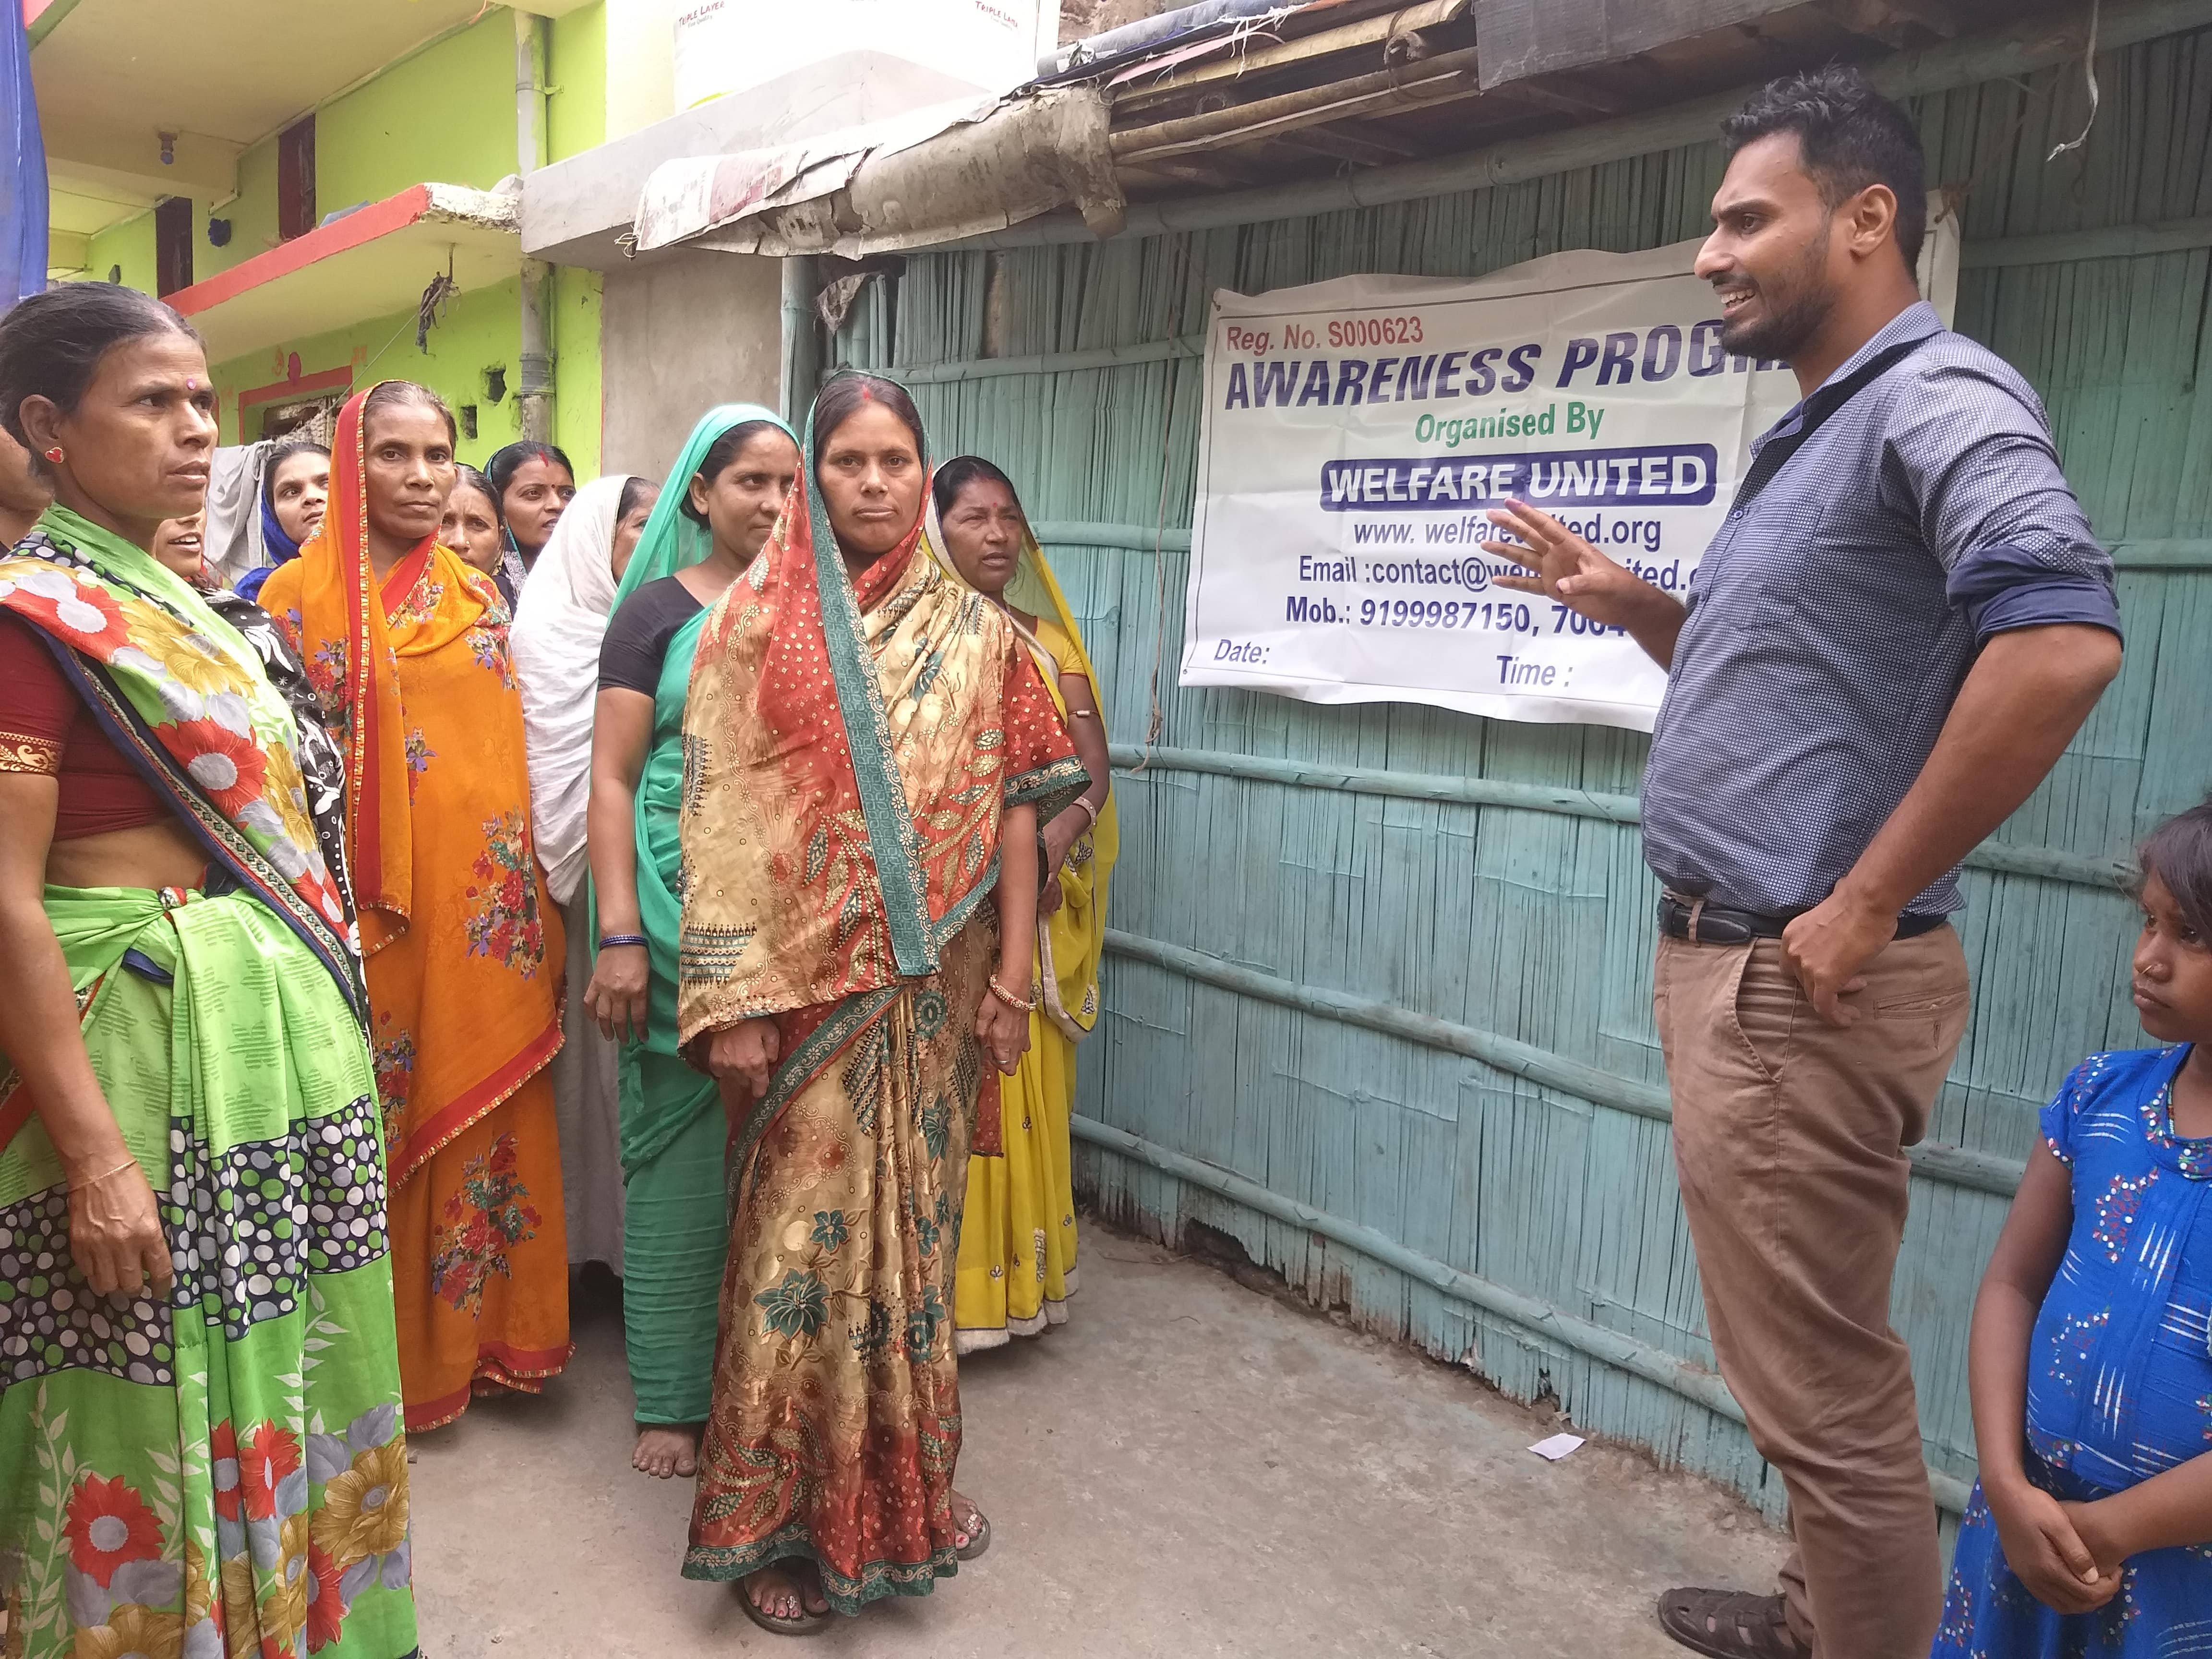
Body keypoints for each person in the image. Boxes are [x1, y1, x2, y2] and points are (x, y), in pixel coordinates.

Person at [1486, 67, 2124, 1659]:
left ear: (1863, 220)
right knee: (1810, 1368)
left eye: (1741, 218)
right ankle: (1806, 1615)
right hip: (1760, 966)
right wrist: (1639, 608)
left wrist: (1850, 901)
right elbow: (1813, 692)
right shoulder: (1827, 426)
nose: (1708, 254)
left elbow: (2053, 641)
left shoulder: (1931, 396)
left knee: (1826, 1409)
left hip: (1796, 980)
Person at [0, 283, 418, 1659]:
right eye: (154, 402)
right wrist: (95, 1153)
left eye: (201, 401)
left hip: (268, 1069)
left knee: (299, 1364)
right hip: (135, 1062)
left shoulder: (196, 614)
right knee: (134, 1389)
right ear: (49, 429)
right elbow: (7, 895)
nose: (195, 431)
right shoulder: (31, 619)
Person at [676, 373, 1086, 1631]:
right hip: (801, 992)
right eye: (846, 460)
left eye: (894, 461)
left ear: (922, 473)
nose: (871, 482)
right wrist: (734, 993)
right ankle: (770, 1528)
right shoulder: (753, 625)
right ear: (814, 474)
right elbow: (723, 815)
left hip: (940, 993)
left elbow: (1022, 812)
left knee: (910, 1256)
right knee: (796, 1259)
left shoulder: (986, 639)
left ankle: (897, 1500)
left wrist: (1013, 982)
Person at [259, 381, 571, 1434]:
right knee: (361, 1127)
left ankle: (484, 1347)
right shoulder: (288, 607)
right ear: (352, 462)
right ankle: (372, 1369)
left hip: (483, 920)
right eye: (395, 454)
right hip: (351, 919)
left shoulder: (481, 601)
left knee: (479, 1125)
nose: (424, 476)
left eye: (440, 454)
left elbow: (508, 770)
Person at [1932, 801, 2212, 1653]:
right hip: (2027, 1527)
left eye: (2190, 935)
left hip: (2176, 1576)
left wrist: (2112, 1529)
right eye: (2147, 922)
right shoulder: (2097, 1101)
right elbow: (2011, 1285)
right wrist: (2005, 1484)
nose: (2147, 959)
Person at [583, 408, 796, 1481]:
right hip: (669, 904)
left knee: (790, 1156)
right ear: (699, 495)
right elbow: (614, 779)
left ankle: (769, 1383)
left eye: (786, 484)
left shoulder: (820, 609)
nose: (770, 503)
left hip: (793, 906)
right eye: (749, 481)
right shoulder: (656, 614)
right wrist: (621, 934)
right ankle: (669, 1397)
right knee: (675, 1154)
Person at [928, 457, 1117, 1352]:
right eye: (974, 518)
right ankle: (939, 1296)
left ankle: (1016, 1284)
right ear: (937, 530)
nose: (998, 535)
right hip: (937, 909)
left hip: (1031, 908)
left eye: (1009, 516)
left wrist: (1053, 835)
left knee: (1021, 1081)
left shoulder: (1049, 644)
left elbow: (1092, 774)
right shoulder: (909, 644)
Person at [512, 472, 660, 1279]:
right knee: (576, 1072)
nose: (655, 538)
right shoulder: (544, 631)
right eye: (637, 524)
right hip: (557, 891)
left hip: (651, 880)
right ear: (594, 537)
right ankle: (575, 1256)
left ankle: (639, 1251)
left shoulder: (668, 624)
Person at [234, 439, 328, 603]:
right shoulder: (254, 596)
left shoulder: (384, 577)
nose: (311, 497)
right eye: (292, 492)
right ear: (272, 514)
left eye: (326, 483)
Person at [485, 440, 576, 600]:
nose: (557, 505)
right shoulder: (483, 591)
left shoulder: (593, 581)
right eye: (534, 493)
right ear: (497, 505)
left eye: (567, 493)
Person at [438, 464, 507, 593]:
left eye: (478, 524)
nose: (459, 542)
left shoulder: (526, 610)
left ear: (500, 542)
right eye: (444, 523)